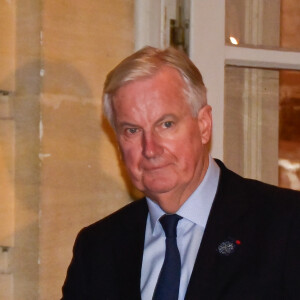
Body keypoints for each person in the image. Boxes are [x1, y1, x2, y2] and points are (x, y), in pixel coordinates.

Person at [61, 46, 300, 300]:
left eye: (166, 124)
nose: (150, 149)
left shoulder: (287, 225)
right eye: (132, 130)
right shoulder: (98, 248)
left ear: (204, 125)